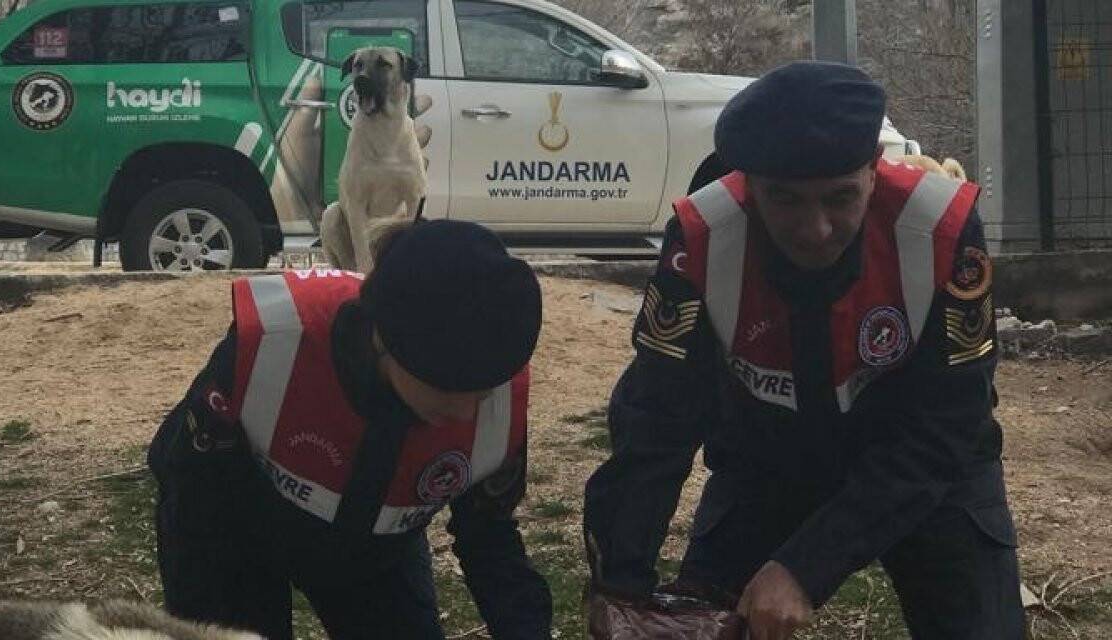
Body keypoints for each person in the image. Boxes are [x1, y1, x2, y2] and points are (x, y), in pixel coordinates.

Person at [583, 61, 1025, 640]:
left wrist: (804, 566)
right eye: (785, 200)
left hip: (924, 466)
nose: (815, 229)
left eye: (840, 198)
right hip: (766, 463)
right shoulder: (701, 238)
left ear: (874, 170)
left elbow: (949, 425)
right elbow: (657, 417)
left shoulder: (943, 229)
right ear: (748, 183)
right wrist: (620, 582)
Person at [150, 220, 552, 640]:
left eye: (483, 393)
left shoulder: (498, 381)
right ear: (385, 339)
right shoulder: (275, 342)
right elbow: (189, 487)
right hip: (232, 530)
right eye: (447, 389)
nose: (467, 413)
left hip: (374, 553)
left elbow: (489, 537)